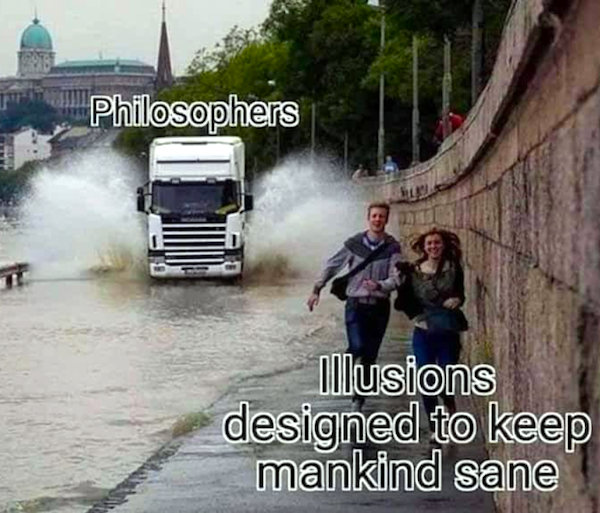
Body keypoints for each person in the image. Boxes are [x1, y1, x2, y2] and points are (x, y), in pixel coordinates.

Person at [307, 202, 403, 412]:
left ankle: (358, 400)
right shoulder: (354, 243)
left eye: (381, 216)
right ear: (368, 218)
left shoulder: (393, 247)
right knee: (358, 347)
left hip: (380, 307)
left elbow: (397, 278)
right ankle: (344, 367)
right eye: (374, 216)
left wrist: (380, 285)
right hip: (356, 305)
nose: (377, 219)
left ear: (386, 220)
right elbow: (332, 265)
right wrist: (317, 289)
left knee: (369, 357)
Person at [399, 228, 467, 444]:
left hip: (447, 331)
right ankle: (436, 429)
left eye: (437, 243)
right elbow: (402, 301)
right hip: (423, 332)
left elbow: (461, 294)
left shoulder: (453, 268)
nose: (433, 246)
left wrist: (457, 300)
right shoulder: (413, 271)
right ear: (424, 247)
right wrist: (418, 314)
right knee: (427, 380)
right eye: (429, 243)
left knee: (445, 377)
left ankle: (449, 403)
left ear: (443, 245)